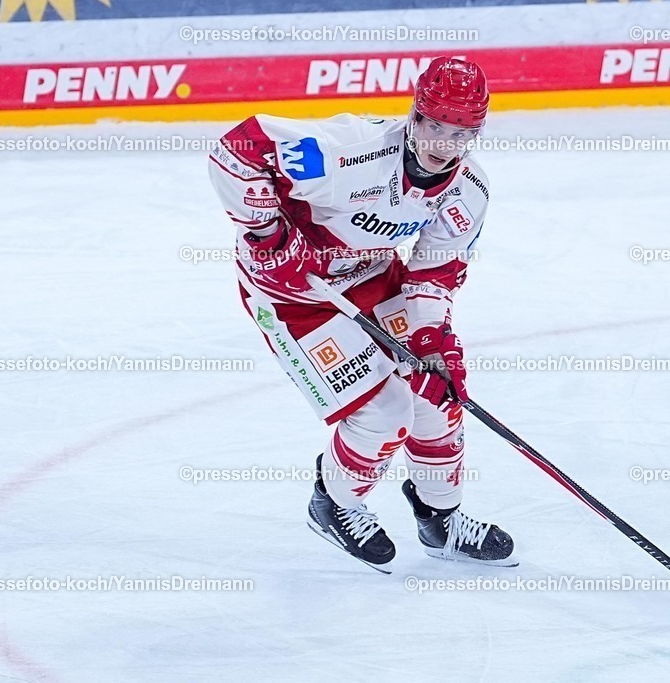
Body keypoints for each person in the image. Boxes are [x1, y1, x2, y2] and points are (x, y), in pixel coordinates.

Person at [207, 57, 514, 572]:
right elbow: (238, 150)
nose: (445, 145)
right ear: (415, 116)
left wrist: (431, 341)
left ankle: (441, 521)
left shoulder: (468, 191)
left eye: (461, 133)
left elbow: (434, 272)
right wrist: (268, 235)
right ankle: (334, 504)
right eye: (436, 126)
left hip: (371, 275)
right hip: (293, 293)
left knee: (437, 399)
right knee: (384, 413)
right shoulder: (349, 151)